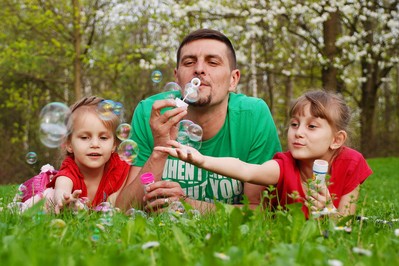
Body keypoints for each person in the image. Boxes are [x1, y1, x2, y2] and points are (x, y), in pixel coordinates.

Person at [116, 29, 281, 212]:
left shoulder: (253, 115)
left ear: (233, 80)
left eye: (212, 62)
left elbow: (260, 211)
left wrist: (188, 205)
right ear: (177, 77)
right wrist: (160, 150)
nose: (199, 69)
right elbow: (123, 209)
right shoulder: (152, 112)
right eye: (189, 62)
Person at [155, 90, 373, 218]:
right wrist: (202, 160)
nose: (298, 133)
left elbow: (344, 226)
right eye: (295, 124)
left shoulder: (351, 163)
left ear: (337, 140)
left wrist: (328, 212)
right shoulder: (284, 165)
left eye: (312, 127)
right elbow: (246, 170)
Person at [18, 96, 130, 213]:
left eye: (103, 137)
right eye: (84, 137)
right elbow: (62, 188)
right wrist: (66, 200)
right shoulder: (69, 170)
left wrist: (109, 205)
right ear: (69, 144)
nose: (95, 144)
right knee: (48, 197)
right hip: (50, 193)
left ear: (114, 145)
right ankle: (23, 205)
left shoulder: (120, 166)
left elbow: (121, 195)